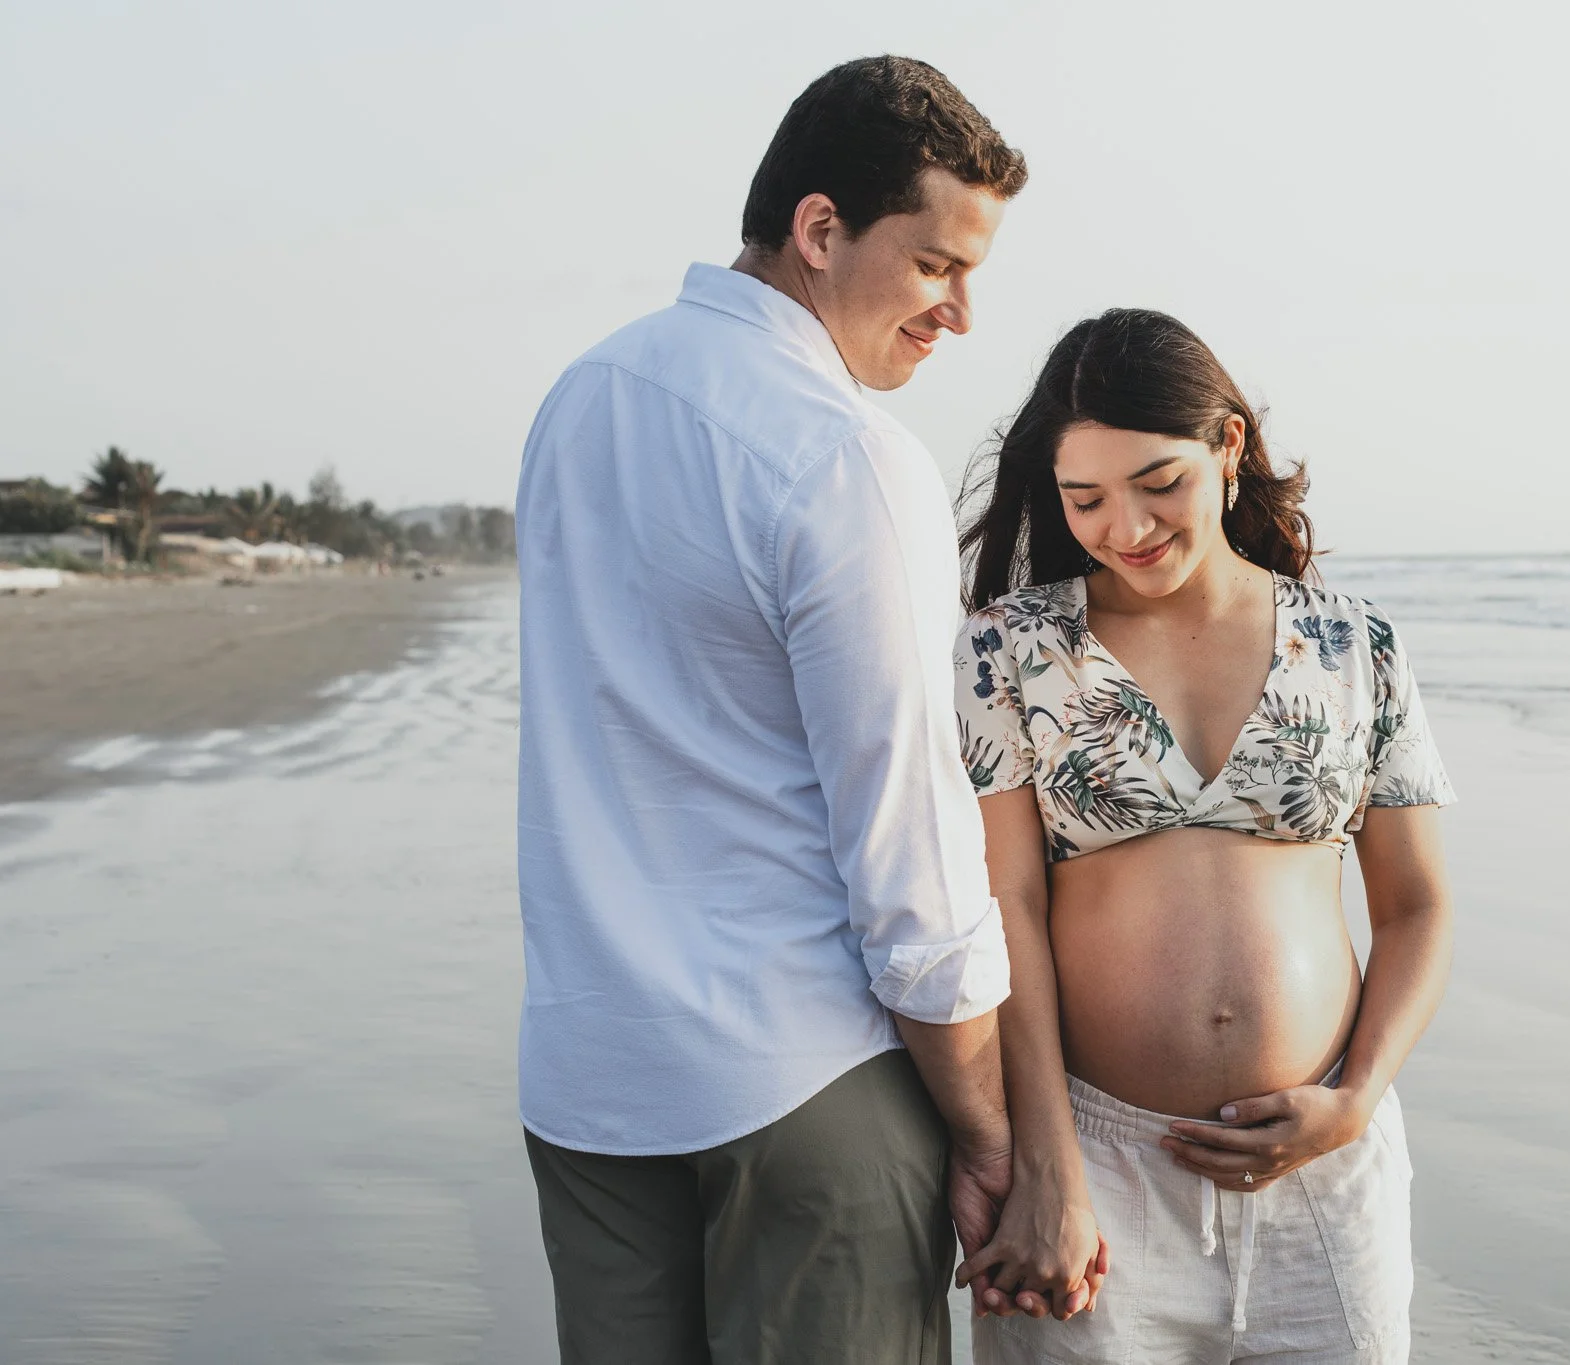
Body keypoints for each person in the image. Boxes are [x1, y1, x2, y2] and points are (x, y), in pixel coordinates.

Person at [514, 57, 1034, 1364]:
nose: (959, 312)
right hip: (806, 1087)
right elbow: (909, 843)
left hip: (591, 1080)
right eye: (936, 266)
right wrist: (983, 1123)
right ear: (820, 230)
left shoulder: (581, 398)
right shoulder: (847, 456)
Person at [951, 309, 1457, 1363]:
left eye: (1156, 485)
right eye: (1082, 498)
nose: (1122, 527)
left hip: (1323, 1167)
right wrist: (1046, 1170)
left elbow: (1415, 908)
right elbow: (1006, 912)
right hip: (1097, 1166)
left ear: (1226, 449)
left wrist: (1353, 1099)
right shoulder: (1011, 648)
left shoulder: (1351, 643)